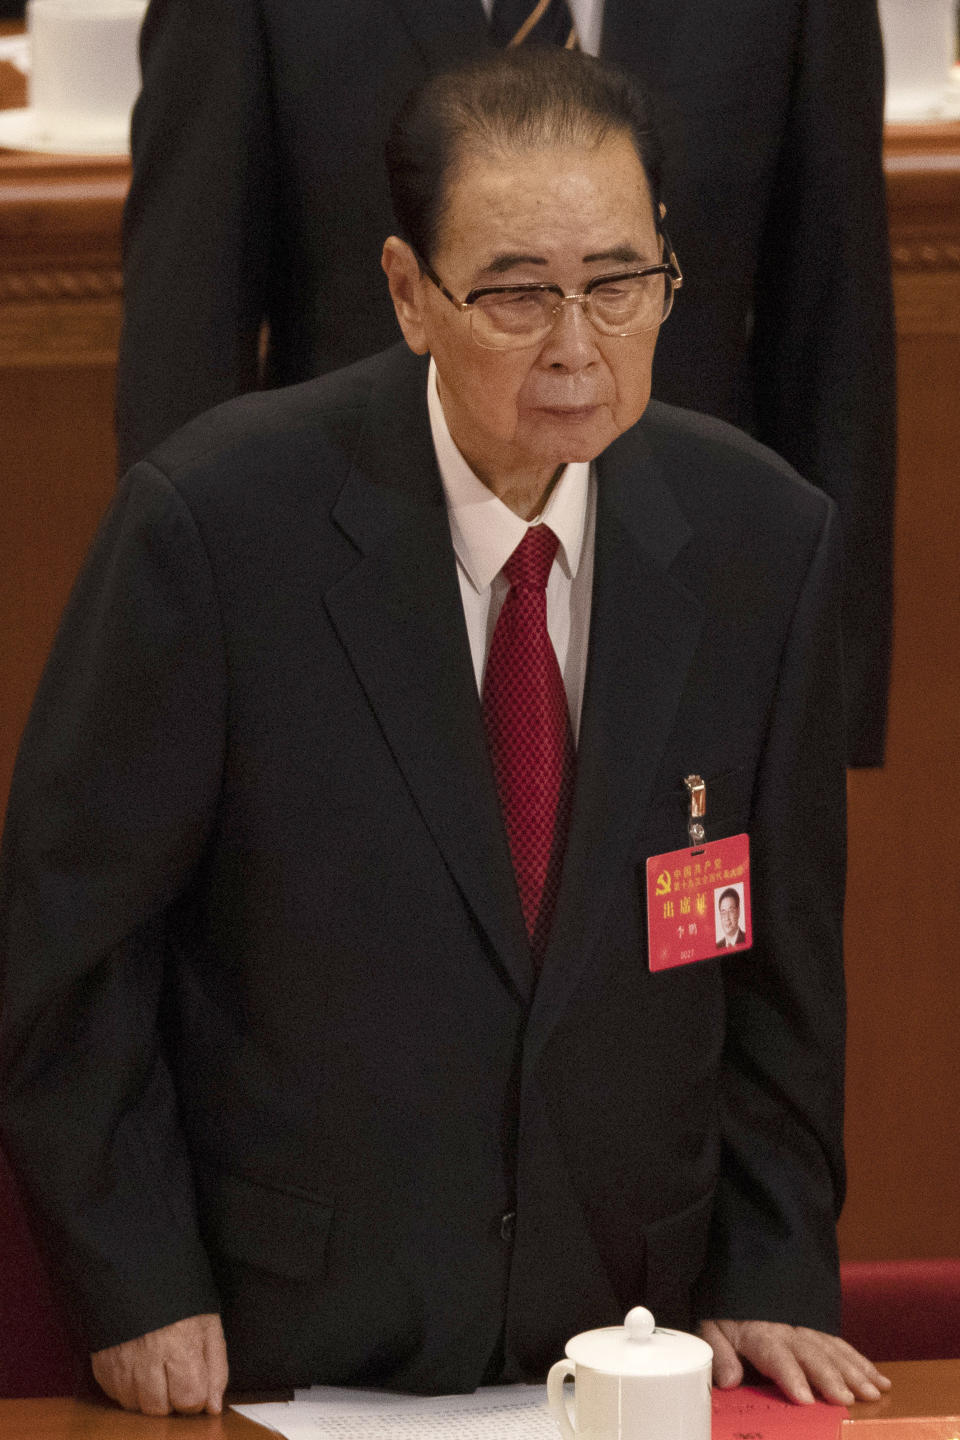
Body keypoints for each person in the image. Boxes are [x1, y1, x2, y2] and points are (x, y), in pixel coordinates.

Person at [1, 48, 889, 1419]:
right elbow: (65, 945)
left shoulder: (762, 542)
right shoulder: (219, 530)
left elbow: (781, 972)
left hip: (625, 1340)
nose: (578, 346)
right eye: (519, 293)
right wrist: (138, 1278)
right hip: (284, 1340)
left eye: (617, 282)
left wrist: (773, 1262)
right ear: (411, 293)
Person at [115, 0, 896, 769]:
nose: (571, 346)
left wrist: (826, 697)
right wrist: (183, 656)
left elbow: (835, 322)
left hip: (685, 608)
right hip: (339, 602)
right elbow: (189, 324)